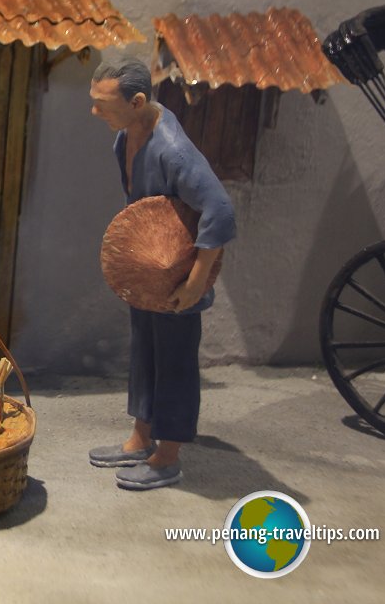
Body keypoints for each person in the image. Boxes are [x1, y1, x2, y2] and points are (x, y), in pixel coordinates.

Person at [87, 58, 236, 490]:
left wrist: (195, 281)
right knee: (146, 353)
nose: (95, 112)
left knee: (174, 362)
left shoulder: (172, 149)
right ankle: (140, 436)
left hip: (178, 276)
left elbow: (219, 210)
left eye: (102, 104)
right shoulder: (125, 138)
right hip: (148, 270)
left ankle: (167, 455)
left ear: (136, 102)